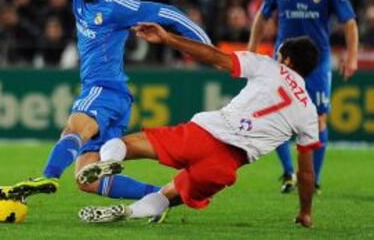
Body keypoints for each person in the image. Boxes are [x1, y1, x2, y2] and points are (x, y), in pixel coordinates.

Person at [4, 0, 211, 202]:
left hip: (104, 90)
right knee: (88, 180)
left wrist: (207, 48)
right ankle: (162, 198)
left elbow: (169, 13)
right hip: (114, 99)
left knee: (73, 128)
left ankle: (49, 177)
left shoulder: (117, 6)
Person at [76, 22, 320, 228]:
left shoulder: (269, 66)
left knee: (123, 144)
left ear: (285, 60)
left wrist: (169, 38)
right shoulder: (308, 111)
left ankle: (110, 160)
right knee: (168, 195)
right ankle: (131, 211)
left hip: (203, 134)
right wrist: (305, 212)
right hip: (225, 166)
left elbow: (213, 56)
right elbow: (306, 173)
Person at [248, 0, 359, 193]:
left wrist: (352, 56)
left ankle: (314, 179)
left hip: (317, 62)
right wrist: (251, 50)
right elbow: (262, 17)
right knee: (273, 117)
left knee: (318, 119)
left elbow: (350, 23)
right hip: (284, 63)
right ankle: (289, 173)